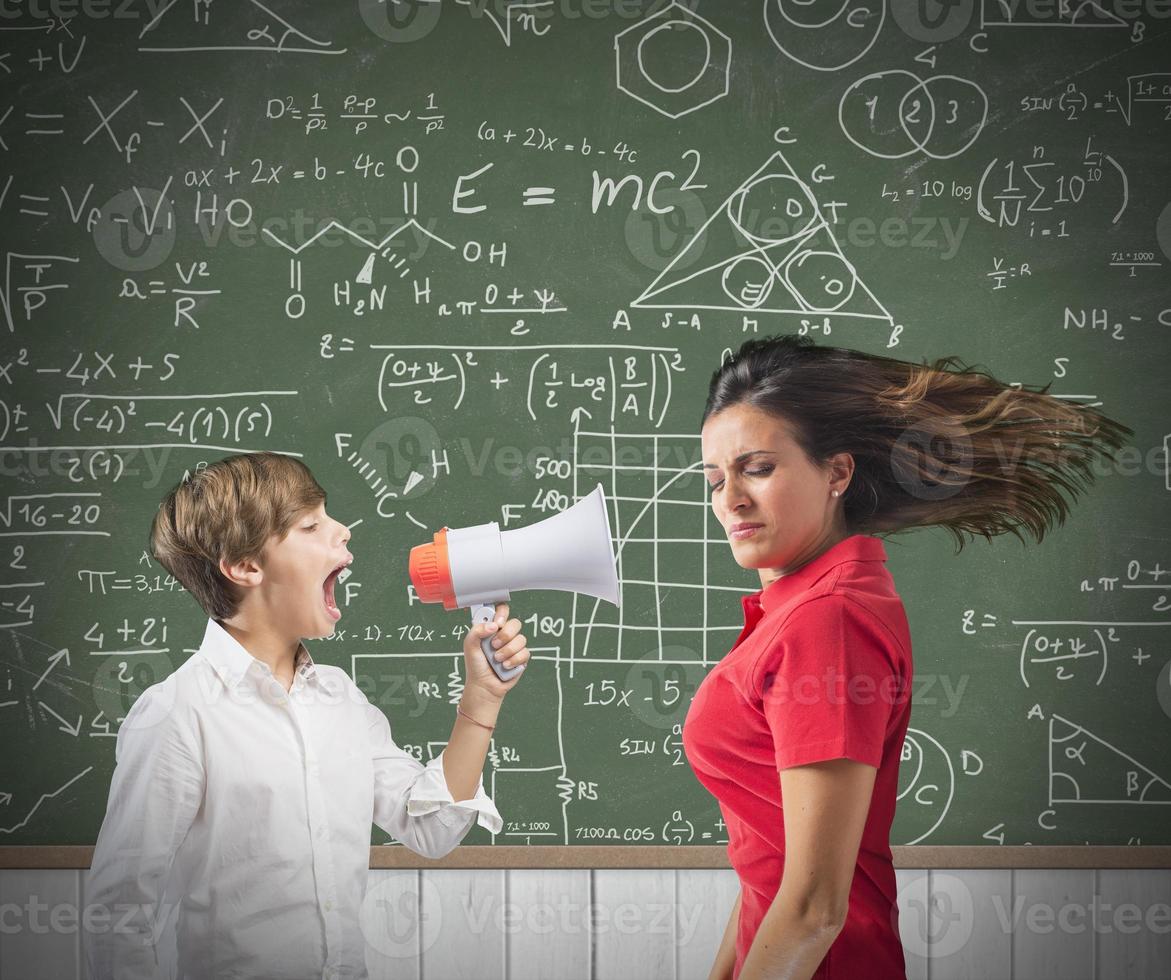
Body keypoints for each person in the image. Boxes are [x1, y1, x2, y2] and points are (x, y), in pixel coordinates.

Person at [681, 335, 1132, 980]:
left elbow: (813, 910)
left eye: (757, 468)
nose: (729, 499)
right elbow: (771, 867)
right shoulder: (798, 611)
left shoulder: (825, 624)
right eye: (714, 477)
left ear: (837, 472)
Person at [85, 451, 530, 980]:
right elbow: (116, 915)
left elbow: (430, 827)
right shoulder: (177, 714)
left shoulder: (339, 700)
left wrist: (482, 699)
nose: (343, 531)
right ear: (246, 566)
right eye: (311, 524)